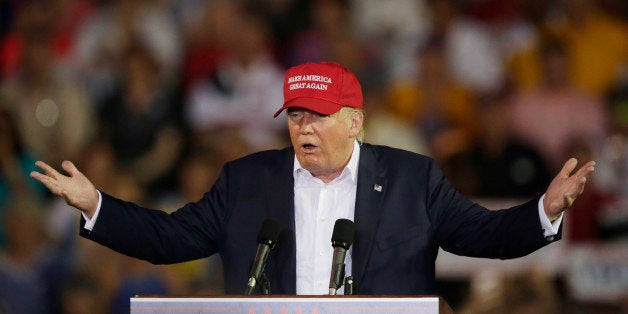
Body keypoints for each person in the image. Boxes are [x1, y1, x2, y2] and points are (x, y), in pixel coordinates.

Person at [31, 61, 595, 296]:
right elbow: (170, 239)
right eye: (295, 115)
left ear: (355, 122)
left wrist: (543, 212)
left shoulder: (410, 179)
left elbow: (484, 237)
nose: (304, 127)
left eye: (318, 116)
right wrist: (97, 205)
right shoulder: (246, 181)